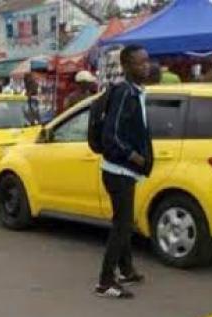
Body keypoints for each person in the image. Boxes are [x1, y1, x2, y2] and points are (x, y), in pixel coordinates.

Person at [96, 44, 153, 299]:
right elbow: (111, 135)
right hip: (118, 170)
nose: (146, 66)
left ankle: (126, 269)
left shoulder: (136, 92)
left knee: (124, 222)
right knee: (122, 224)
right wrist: (134, 156)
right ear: (127, 66)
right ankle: (105, 282)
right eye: (140, 63)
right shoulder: (123, 93)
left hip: (126, 170)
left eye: (147, 61)